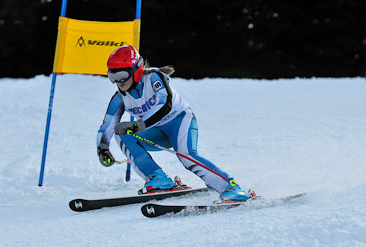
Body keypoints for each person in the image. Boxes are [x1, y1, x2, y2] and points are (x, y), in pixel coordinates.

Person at [96, 45, 251, 202]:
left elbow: (165, 105)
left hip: (180, 122)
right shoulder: (120, 97)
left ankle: (231, 187)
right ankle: (158, 179)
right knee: (122, 136)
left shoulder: (154, 78)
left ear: (135, 71)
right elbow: (108, 124)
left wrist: (137, 126)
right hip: (156, 132)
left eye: (121, 76)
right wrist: (102, 148)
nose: (118, 82)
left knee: (187, 156)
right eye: (112, 76)